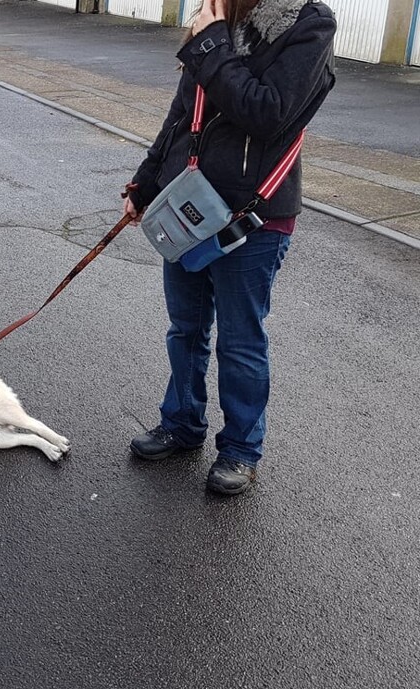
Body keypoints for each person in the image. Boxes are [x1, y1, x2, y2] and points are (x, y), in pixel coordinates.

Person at [123, 0, 336, 494]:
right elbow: (182, 115)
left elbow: (267, 112)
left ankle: (241, 449)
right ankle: (181, 423)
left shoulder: (309, 25)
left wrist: (212, 41)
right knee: (186, 329)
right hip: (189, 208)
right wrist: (145, 183)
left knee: (240, 342)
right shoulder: (217, 19)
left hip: (252, 219)